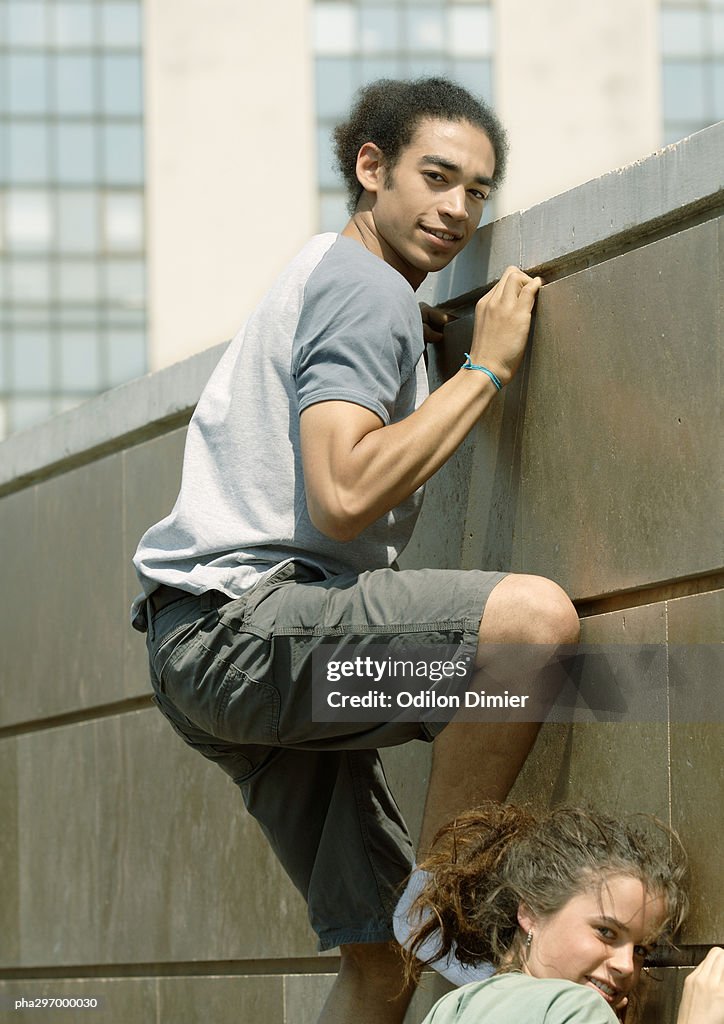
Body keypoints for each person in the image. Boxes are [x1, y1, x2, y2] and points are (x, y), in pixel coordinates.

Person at [131, 77, 580, 1024]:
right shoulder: (366, 287)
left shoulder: (333, 279)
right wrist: (488, 369)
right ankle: (450, 898)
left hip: (213, 663)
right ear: (370, 168)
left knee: (379, 965)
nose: (457, 209)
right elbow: (342, 497)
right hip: (249, 635)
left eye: (477, 193)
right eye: (437, 177)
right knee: (533, 625)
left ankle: (418, 922)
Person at [402, 803, 724, 1024]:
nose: (626, 966)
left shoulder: (453, 1007)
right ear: (530, 912)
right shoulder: (579, 1008)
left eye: (640, 950)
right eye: (606, 932)